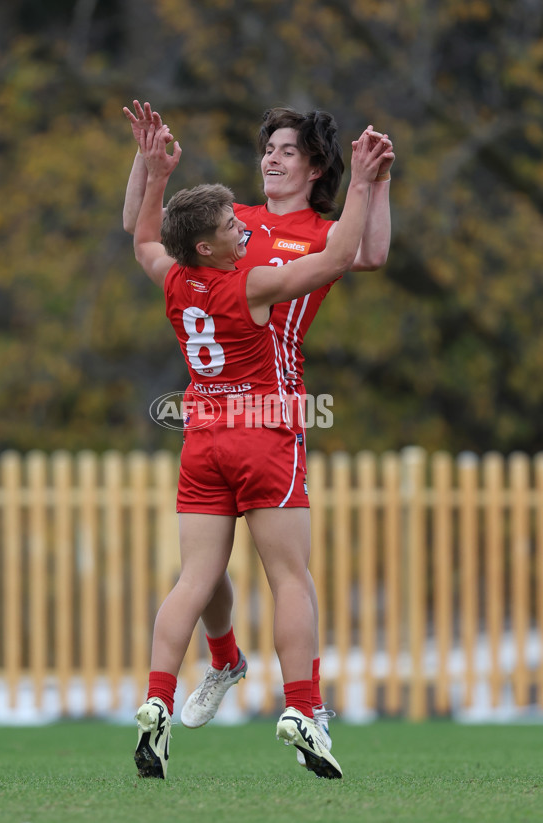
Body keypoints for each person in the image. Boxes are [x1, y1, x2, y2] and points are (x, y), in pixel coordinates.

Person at [123, 101, 394, 759]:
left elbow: (371, 252)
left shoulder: (317, 229)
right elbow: (143, 224)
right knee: (263, 574)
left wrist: (374, 184)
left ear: (314, 166)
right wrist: (145, 164)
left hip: (211, 419)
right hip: (265, 419)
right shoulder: (232, 222)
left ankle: (192, 685)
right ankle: (240, 669)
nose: (270, 158)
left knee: (203, 569)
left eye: (286, 150)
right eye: (267, 147)